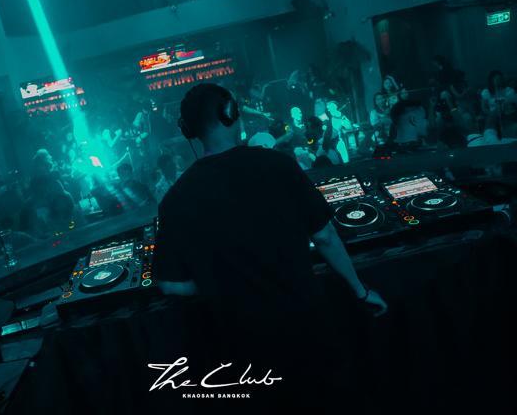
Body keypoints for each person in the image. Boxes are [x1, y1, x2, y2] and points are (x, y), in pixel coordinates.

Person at [156, 83, 387, 404]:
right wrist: (360, 291)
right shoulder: (278, 165)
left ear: (187, 129)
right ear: (230, 113)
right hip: (307, 327)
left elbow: (171, 285)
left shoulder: (175, 199)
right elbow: (325, 236)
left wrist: (218, 279)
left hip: (240, 346)